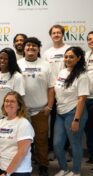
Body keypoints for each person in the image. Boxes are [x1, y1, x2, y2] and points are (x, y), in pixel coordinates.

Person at [18, 37, 55, 176]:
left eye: (34, 46)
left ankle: (43, 166)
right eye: (28, 46)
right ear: (24, 48)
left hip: (41, 110)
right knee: (22, 140)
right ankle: (22, 167)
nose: (31, 48)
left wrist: (49, 106)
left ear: (38, 49)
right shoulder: (18, 64)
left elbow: (51, 88)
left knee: (41, 140)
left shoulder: (46, 65)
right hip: (22, 111)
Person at [54, 47, 89, 176]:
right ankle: (63, 168)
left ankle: (76, 171)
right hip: (60, 113)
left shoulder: (82, 75)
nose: (68, 59)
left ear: (79, 58)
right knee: (57, 144)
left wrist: (76, 120)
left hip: (74, 113)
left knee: (75, 143)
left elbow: (82, 98)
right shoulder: (62, 71)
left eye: (71, 57)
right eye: (66, 56)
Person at [43, 24, 71, 162]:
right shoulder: (47, 53)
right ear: (51, 35)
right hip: (52, 91)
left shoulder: (68, 49)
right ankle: (53, 149)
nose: (56, 35)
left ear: (62, 34)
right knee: (53, 121)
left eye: (58, 32)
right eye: (54, 33)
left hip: (67, 91)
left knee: (67, 121)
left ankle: (65, 150)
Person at [0, 48, 25, 126]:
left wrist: (13, 118)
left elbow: (20, 100)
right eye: (0, 58)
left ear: (11, 60)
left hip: (14, 118)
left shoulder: (17, 77)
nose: (2, 61)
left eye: (6, 59)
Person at [85, 31, 93, 165]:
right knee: (89, 129)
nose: (92, 41)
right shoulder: (86, 55)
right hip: (87, 97)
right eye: (90, 39)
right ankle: (92, 156)